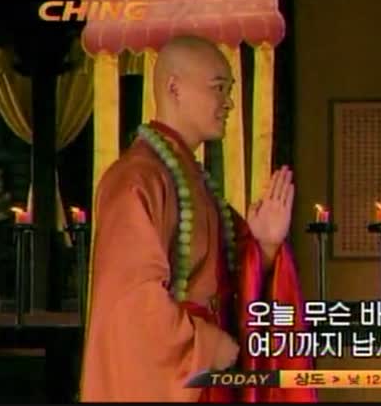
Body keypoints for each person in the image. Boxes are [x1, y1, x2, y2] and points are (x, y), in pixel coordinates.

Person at [80, 35, 316, 402]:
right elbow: (132, 303)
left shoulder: (195, 180)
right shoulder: (137, 179)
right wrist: (204, 345)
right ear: (174, 87)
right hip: (179, 377)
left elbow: (235, 281)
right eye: (218, 88)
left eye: (230, 90)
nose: (229, 102)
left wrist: (266, 246)